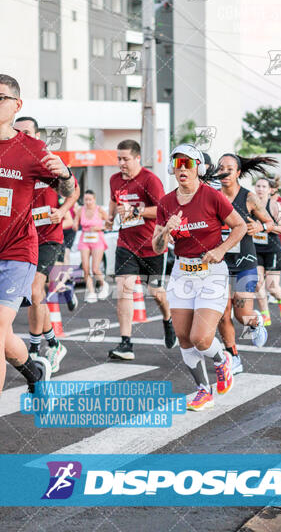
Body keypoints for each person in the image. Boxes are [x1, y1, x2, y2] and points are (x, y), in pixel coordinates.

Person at [153, 144, 247, 411]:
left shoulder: (211, 196)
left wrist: (221, 249)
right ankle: (203, 390)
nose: (182, 169)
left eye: (188, 164)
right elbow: (156, 247)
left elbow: (239, 226)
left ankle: (222, 360)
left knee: (201, 338)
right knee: (183, 336)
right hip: (182, 272)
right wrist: (165, 233)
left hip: (211, 274)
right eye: (178, 164)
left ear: (198, 168)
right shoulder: (166, 203)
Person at [0, 74, 74, 393]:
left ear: (17, 105)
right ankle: (34, 372)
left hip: (17, 252)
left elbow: (67, 186)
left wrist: (67, 174)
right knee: (3, 338)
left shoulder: (31, 149)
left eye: (0, 97)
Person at [13, 117, 80, 372]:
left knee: (35, 290)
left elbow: (73, 190)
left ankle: (37, 347)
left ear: (38, 136)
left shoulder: (49, 160)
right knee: (34, 295)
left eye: (27, 132)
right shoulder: (15, 162)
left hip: (49, 236)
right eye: (17, 132)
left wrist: (62, 211)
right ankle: (50, 343)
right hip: (23, 235)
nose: (21, 136)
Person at [106, 140, 175, 358]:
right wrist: (110, 218)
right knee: (124, 290)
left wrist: (134, 210)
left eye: (125, 159)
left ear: (137, 158)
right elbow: (113, 201)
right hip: (126, 244)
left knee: (156, 293)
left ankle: (168, 319)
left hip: (151, 246)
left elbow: (162, 212)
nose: (121, 163)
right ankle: (126, 343)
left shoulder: (150, 180)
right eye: (118, 158)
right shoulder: (114, 179)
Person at [217, 153, 275, 375]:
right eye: (221, 168)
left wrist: (260, 227)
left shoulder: (249, 198)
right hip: (219, 263)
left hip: (244, 262)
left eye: (229, 169)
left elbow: (270, 222)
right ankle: (233, 356)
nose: (224, 172)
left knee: (242, 316)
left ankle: (255, 321)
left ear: (238, 173)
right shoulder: (212, 196)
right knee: (223, 313)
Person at [254, 177, 281, 325]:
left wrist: (266, 227)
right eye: (258, 186)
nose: (260, 189)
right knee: (257, 283)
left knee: (272, 286)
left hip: (272, 249)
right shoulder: (250, 204)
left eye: (264, 186)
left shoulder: (275, 206)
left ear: (270, 190)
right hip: (255, 248)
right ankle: (265, 315)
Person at [74, 190, 109, 303]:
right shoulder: (80, 210)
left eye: (90, 199)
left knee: (95, 268)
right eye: (86, 200)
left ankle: (104, 285)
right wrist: (75, 218)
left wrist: (99, 228)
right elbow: (75, 226)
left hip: (97, 239)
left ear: (94, 200)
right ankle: (91, 292)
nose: (88, 202)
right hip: (85, 239)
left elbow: (109, 225)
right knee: (85, 268)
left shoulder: (99, 210)